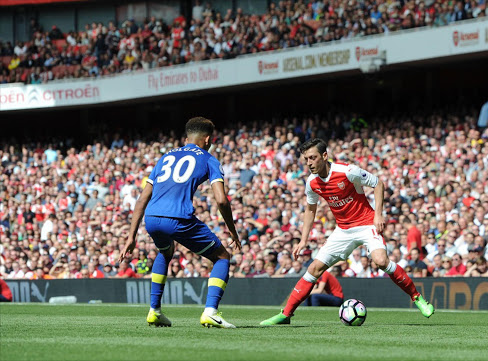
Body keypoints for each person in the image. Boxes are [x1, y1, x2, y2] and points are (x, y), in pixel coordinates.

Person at [260, 138, 434, 326]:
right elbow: (310, 210)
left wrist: (378, 215)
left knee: (381, 261)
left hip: (366, 224)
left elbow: (378, 184)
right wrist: (303, 240)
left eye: (313, 158)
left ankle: (417, 298)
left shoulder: (348, 171)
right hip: (343, 230)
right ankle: (286, 315)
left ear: (324, 156)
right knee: (313, 269)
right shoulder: (312, 183)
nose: (309, 163)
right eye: (306, 159)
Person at [119, 117, 240, 328]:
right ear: (208, 139)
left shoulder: (165, 157)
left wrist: (131, 236)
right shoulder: (209, 158)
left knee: (165, 252)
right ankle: (210, 312)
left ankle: (154, 311)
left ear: (186, 138)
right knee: (222, 257)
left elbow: (142, 199)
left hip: (152, 218)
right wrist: (232, 230)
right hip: (178, 218)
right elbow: (221, 199)